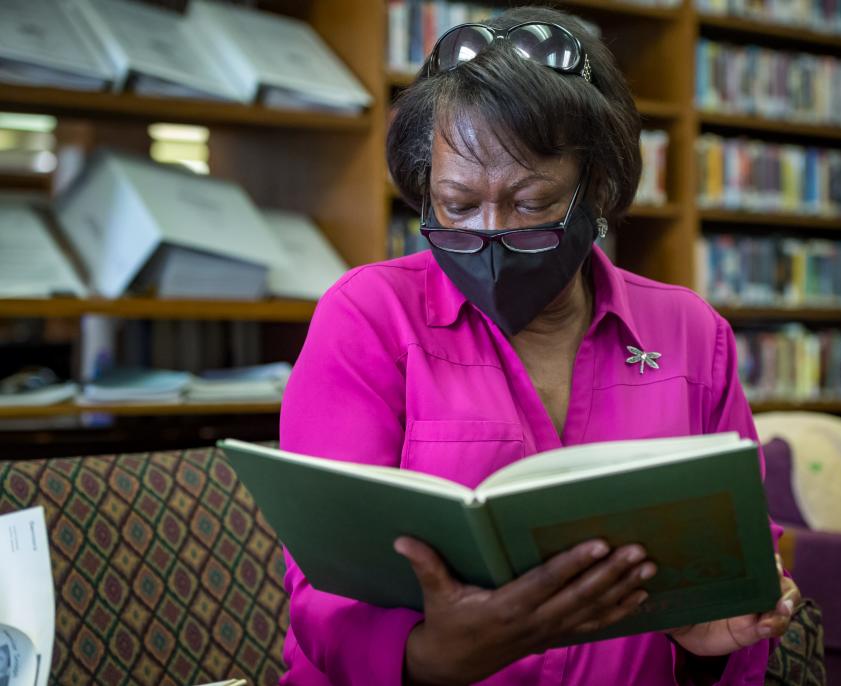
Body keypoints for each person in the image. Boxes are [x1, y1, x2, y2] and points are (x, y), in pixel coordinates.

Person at [279, 6, 800, 685]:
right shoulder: (369, 316)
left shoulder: (691, 334)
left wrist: (722, 637)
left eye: (531, 204)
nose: (492, 235)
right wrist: (433, 659)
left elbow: (740, 555)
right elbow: (328, 587)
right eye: (458, 206)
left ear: (600, 190)